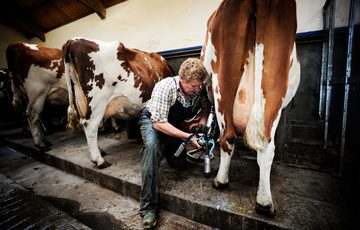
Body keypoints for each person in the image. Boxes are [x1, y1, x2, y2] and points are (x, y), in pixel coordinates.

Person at [138, 58, 209, 228]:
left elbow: (206, 106)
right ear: (182, 78)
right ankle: (148, 208)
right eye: (194, 86)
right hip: (153, 121)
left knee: (178, 163)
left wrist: (201, 121)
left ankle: (170, 151)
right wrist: (187, 136)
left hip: (173, 124)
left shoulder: (198, 88)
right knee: (152, 148)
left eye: (199, 86)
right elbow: (159, 123)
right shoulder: (166, 86)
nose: (197, 89)